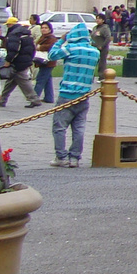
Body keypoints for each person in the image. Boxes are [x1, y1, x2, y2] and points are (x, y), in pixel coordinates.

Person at [47, 22, 100, 169]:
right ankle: (75, 157)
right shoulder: (95, 52)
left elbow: (52, 55)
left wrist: (61, 40)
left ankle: (61, 157)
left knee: (59, 127)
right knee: (79, 127)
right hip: (84, 95)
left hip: (67, 94)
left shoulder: (71, 49)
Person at [0, 16, 40, 108]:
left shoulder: (14, 35)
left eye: (8, 25)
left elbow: (13, 50)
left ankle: (34, 99)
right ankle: (2, 99)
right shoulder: (26, 33)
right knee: (11, 81)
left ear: (11, 25)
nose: (7, 27)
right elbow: (32, 48)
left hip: (18, 62)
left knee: (23, 82)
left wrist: (8, 60)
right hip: (25, 60)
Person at [32, 20, 57, 103]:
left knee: (40, 79)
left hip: (48, 61)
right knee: (47, 80)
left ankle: (34, 98)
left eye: (46, 28)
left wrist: (40, 47)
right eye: (42, 28)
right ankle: (49, 98)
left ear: (50, 29)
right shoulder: (43, 37)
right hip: (44, 61)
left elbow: (51, 47)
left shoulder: (51, 38)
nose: (43, 29)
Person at [89, 12, 112, 80]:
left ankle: (101, 77)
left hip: (102, 48)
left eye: (99, 19)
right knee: (92, 62)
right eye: (97, 18)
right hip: (94, 47)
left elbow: (108, 38)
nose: (97, 20)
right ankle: (91, 77)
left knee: (102, 63)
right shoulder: (95, 28)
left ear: (103, 20)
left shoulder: (105, 28)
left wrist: (102, 45)